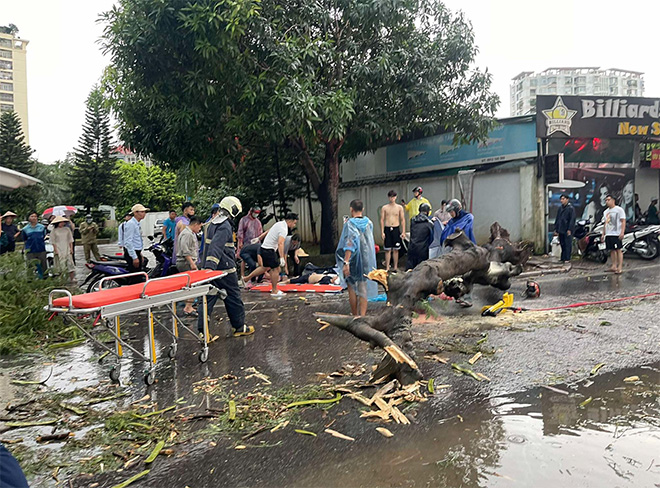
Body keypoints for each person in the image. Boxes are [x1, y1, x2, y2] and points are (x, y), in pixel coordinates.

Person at [198, 196, 254, 337]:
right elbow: (216, 246)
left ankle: (203, 332)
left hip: (210, 270)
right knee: (233, 298)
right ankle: (239, 327)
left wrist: (207, 269)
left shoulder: (211, 223)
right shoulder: (225, 226)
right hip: (224, 270)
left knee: (207, 299)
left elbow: (207, 247)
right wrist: (211, 266)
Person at [336, 199, 377, 316]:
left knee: (352, 287)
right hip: (366, 260)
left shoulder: (350, 224)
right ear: (362, 209)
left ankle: (354, 315)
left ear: (351, 209)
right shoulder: (369, 223)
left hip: (353, 260)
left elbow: (350, 243)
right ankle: (362, 316)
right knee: (363, 287)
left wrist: (346, 262)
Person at [244, 213, 298, 296]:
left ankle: (247, 278)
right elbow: (281, 243)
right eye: (294, 223)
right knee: (276, 269)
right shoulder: (284, 229)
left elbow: (268, 231)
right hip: (269, 250)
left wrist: (259, 238)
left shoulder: (278, 224)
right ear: (290, 221)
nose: (294, 225)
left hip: (263, 248)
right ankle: (274, 290)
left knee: (265, 267)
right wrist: (281, 257)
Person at [176, 216, 203, 316]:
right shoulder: (187, 234)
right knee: (194, 284)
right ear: (195, 225)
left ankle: (189, 305)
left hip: (189, 261)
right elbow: (185, 250)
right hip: (186, 262)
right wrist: (192, 263)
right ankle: (188, 307)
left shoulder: (189, 233)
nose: (199, 229)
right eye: (199, 227)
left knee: (191, 285)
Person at [380, 190, 405, 271]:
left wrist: (403, 231)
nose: (392, 198)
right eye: (391, 197)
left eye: (393, 196)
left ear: (396, 197)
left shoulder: (399, 207)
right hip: (387, 228)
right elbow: (382, 220)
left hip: (396, 228)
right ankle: (387, 267)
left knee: (396, 250)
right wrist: (382, 232)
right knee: (387, 250)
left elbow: (402, 219)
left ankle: (395, 267)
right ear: (388, 197)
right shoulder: (384, 208)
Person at [123, 204, 149, 280]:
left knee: (138, 275)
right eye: (142, 212)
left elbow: (136, 241)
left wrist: (140, 254)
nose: (144, 214)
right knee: (135, 277)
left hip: (136, 251)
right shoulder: (131, 224)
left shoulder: (137, 223)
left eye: (144, 212)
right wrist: (134, 257)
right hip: (132, 254)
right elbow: (128, 242)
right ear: (135, 213)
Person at [602, 194, 626, 274]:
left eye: (608, 200)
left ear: (613, 200)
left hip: (616, 233)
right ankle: (614, 266)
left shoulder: (619, 210)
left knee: (618, 250)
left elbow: (623, 221)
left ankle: (619, 267)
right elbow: (605, 223)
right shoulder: (606, 212)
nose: (607, 202)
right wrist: (603, 233)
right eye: (606, 200)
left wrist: (622, 232)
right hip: (609, 233)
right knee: (612, 250)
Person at [406, 203, 434, 270]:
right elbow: (432, 238)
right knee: (421, 270)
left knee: (409, 269)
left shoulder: (412, 220)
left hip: (411, 247)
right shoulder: (429, 224)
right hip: (422, 250)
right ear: (427, 212)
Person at [21, 211, 48, 279]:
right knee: (30, 266)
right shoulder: (25, 229)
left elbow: (44, 236)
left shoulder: (42, 227)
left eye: (35, 216)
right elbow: (25, 239)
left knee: (43, 265)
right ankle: (30, 280)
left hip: (41, 249)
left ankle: (45, 278)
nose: (34, 218)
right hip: (30, 250)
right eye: (32, 216)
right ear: (29, 218)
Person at [50, 216, 76, 282]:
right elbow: (53, 241)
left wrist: (71, 248)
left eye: (63, 222)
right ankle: (61, 278)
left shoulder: (67, 229)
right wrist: (55, 250)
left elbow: (70, 240)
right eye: (60, 222)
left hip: (66, 247)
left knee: (70, 263)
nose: (62, 223)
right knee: (60, 264)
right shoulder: (54, 231)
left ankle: (72, 278)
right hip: (59, 248)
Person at [553, 194, 576, 264]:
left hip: (567, 229)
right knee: (562, 243)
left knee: (567, 244)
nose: (562, 201)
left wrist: (569, 229)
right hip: (561, 228)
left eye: (563, 199)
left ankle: (567, 258)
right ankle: (563, 257)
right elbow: (558, 218)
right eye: (561, 199)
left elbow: (572, 220)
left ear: (567, 199)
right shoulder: (560, 208)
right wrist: (556, 229)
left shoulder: (570, 208)